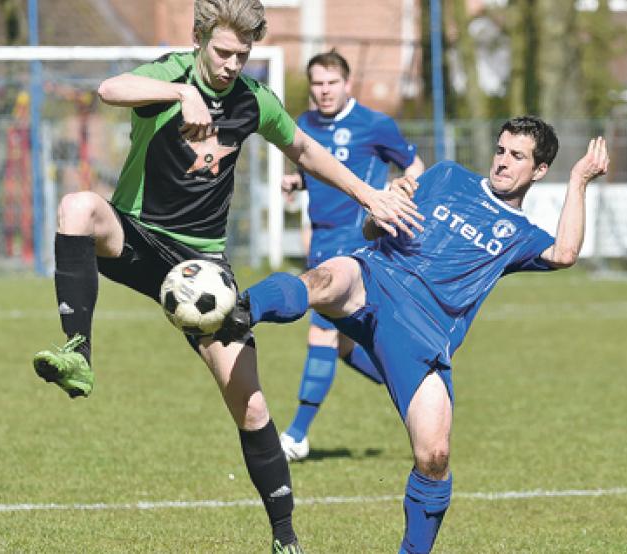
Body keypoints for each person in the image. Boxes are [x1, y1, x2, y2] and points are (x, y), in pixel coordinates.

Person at [29, 1, 420, 553]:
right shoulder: (170, 72)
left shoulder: (253, 101)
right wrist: (180, 92)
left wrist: (369, 194)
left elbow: (305, 150)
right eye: (223, 52)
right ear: (198, 40)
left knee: (252, 405)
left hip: (202, 268)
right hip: (138, 237)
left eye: (244, 54)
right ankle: (78, 353)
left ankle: (285, 538)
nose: (234, 63)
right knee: (77, 207)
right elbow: (110, 90)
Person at [230, 117, 609, 553]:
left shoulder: (519, 235)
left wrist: (579, 180)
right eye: (501, 150)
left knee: (434, 456)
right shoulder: (447, 175)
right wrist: (380, 210)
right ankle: (237, 309)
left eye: (517, 156)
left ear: (539, 171)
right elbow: (372, 232)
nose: (502, 162)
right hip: (374, 278)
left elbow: (565, 253)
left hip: (422, 334)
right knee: (325, 279)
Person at [278, 49, 425, 462]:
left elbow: (415, 167)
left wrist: (400, 192)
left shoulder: (374, 124)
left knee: (320, 332)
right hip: (321, 241)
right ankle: (413, 386)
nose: (324, 91)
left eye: (331, 83)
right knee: (344, 346)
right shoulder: (304, 125)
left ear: (347, 85)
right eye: (317, 84)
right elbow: (322, 173)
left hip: (357, 242)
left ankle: (296, 435)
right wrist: (298, 184)